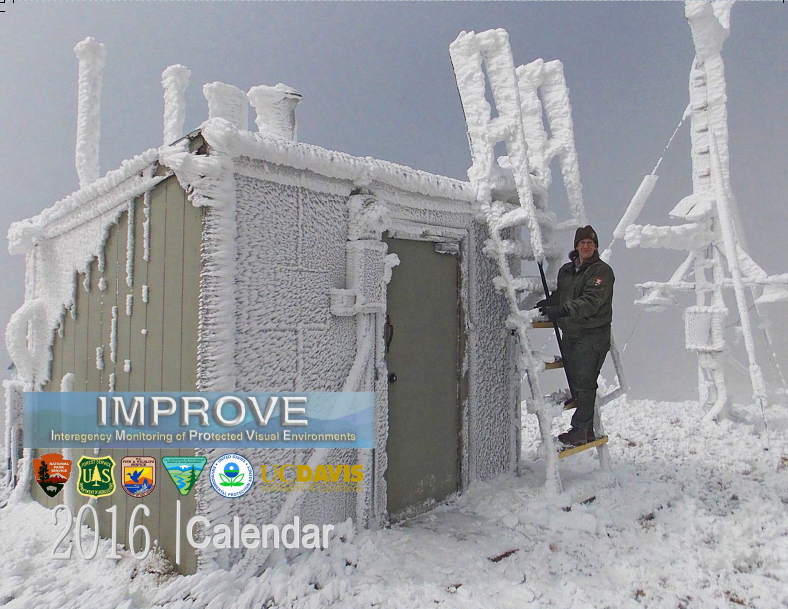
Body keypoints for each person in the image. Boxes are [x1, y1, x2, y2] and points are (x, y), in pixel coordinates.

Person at [537, 225, 614, 447]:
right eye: (582, 243)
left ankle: (580, 429)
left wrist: (562, 310)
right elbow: (563, 295)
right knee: (578, 382)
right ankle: (586, 428)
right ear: (576, 246)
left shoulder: (602, 272)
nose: (586, 246)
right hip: (570, 333)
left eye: (590, 243)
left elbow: (591, 301)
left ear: (596, 246)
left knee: (586, 382)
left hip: (592, 336)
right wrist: (550, 303)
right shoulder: (567, 271)